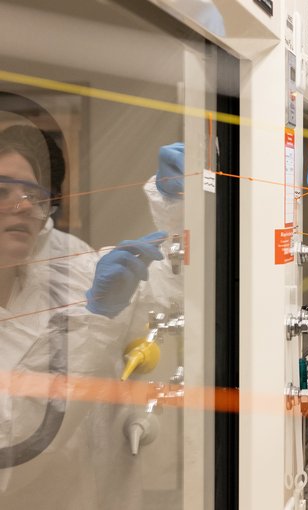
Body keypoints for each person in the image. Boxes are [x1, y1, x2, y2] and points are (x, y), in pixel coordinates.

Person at [0, 126, 171, 508]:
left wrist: (177, 206)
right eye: (2, 192)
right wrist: (92, 321)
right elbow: (14, 449)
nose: (23, 206)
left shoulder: (66, 265)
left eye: (35, 196)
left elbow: (168, 301)